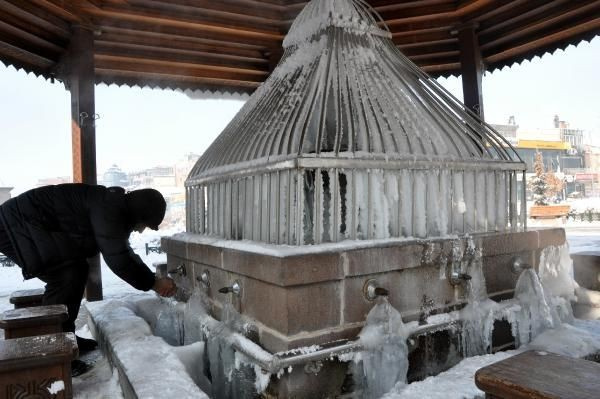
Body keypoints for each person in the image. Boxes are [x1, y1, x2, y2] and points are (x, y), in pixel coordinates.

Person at [0, 183, 177, 374]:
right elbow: (119, 257)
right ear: (138, 213)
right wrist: (153, 282)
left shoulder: (112, 205)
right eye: (144, 224)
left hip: (24, 223)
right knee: (65, 276)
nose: (141, 231)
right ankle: (52, 350)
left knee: (74, 271)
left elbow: (119, 249)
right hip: (15, 226)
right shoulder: (109, 208)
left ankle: (65, 337)